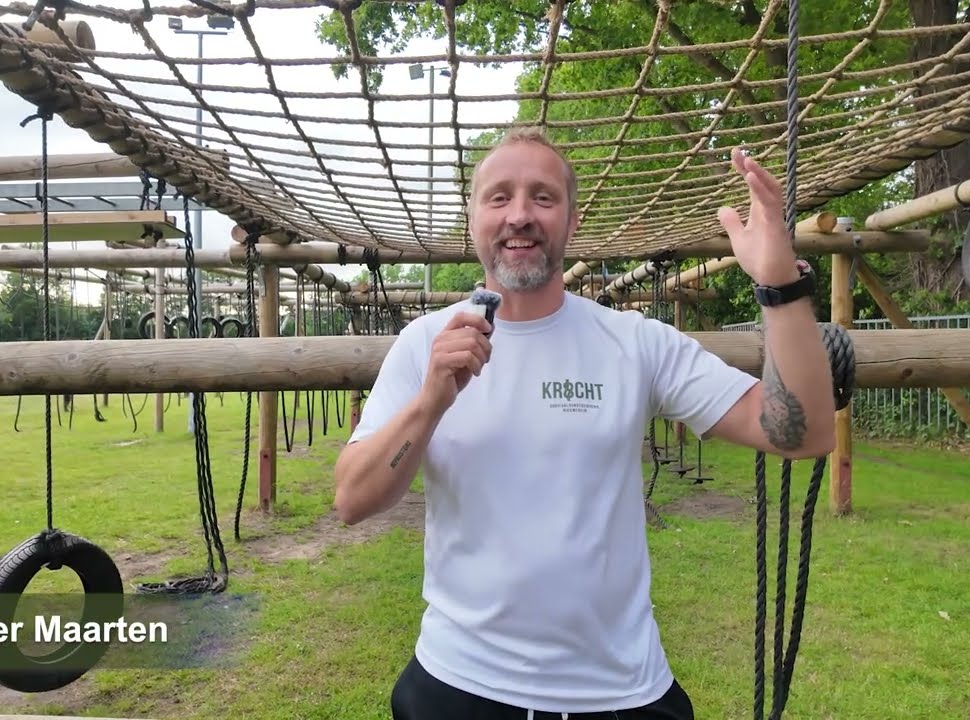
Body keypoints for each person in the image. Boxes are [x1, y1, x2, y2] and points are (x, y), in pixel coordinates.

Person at [332, 127, 837, 720]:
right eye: (499, 197)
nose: (519, 214)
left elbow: (799, 432)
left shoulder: (634, 342)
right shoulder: (424, 343)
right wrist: (429, 403)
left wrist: (780, 282)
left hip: (622, 692)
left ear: (572, 222)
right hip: (460, 683)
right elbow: (351, 498)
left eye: (542, 198)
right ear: (473, 220)